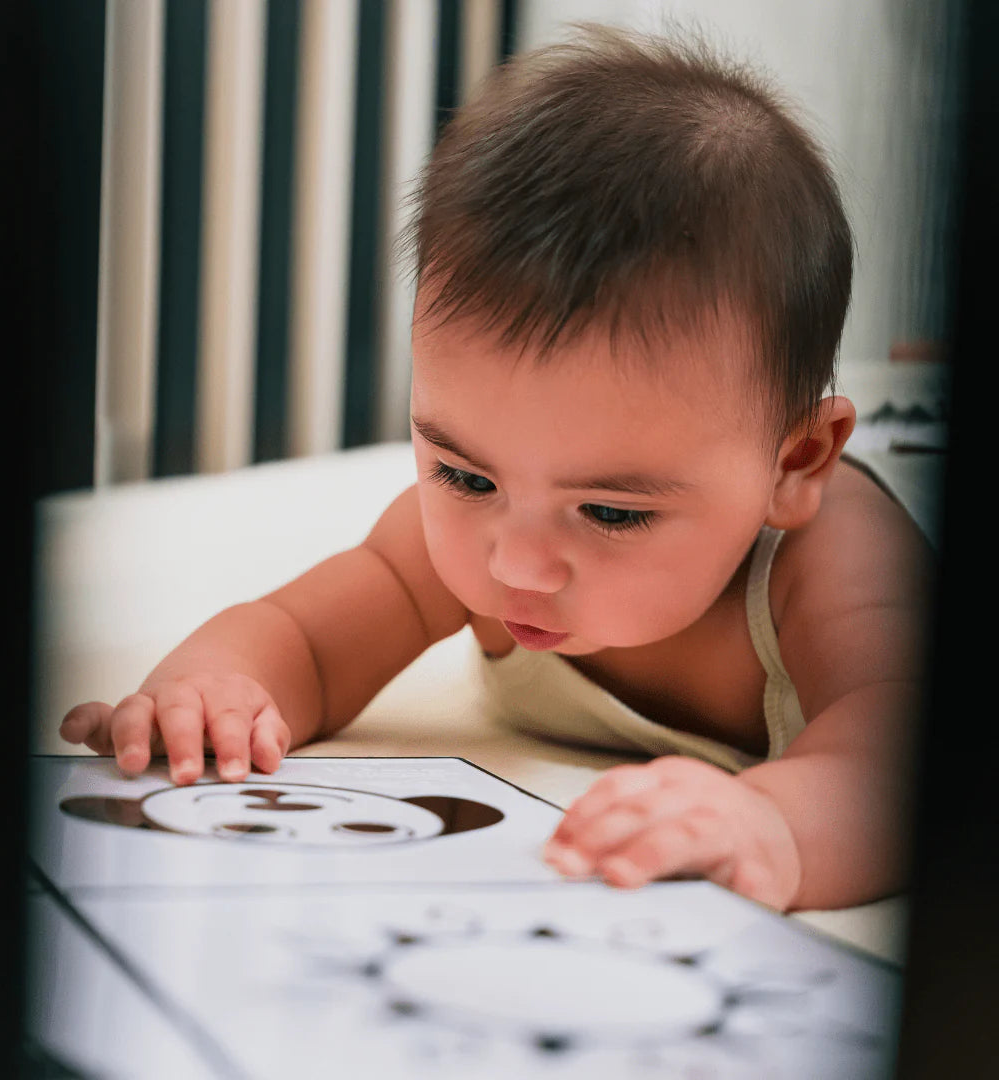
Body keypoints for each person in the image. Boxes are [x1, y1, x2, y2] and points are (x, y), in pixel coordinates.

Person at [60, 26, 933, 912]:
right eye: (467, 476)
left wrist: (775, 828)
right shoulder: (472, 542)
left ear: (795, 463)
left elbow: (908, 759)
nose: (513, 564)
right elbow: (304, 640)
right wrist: (215, 690)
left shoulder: (836, 565)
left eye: (612, 512)